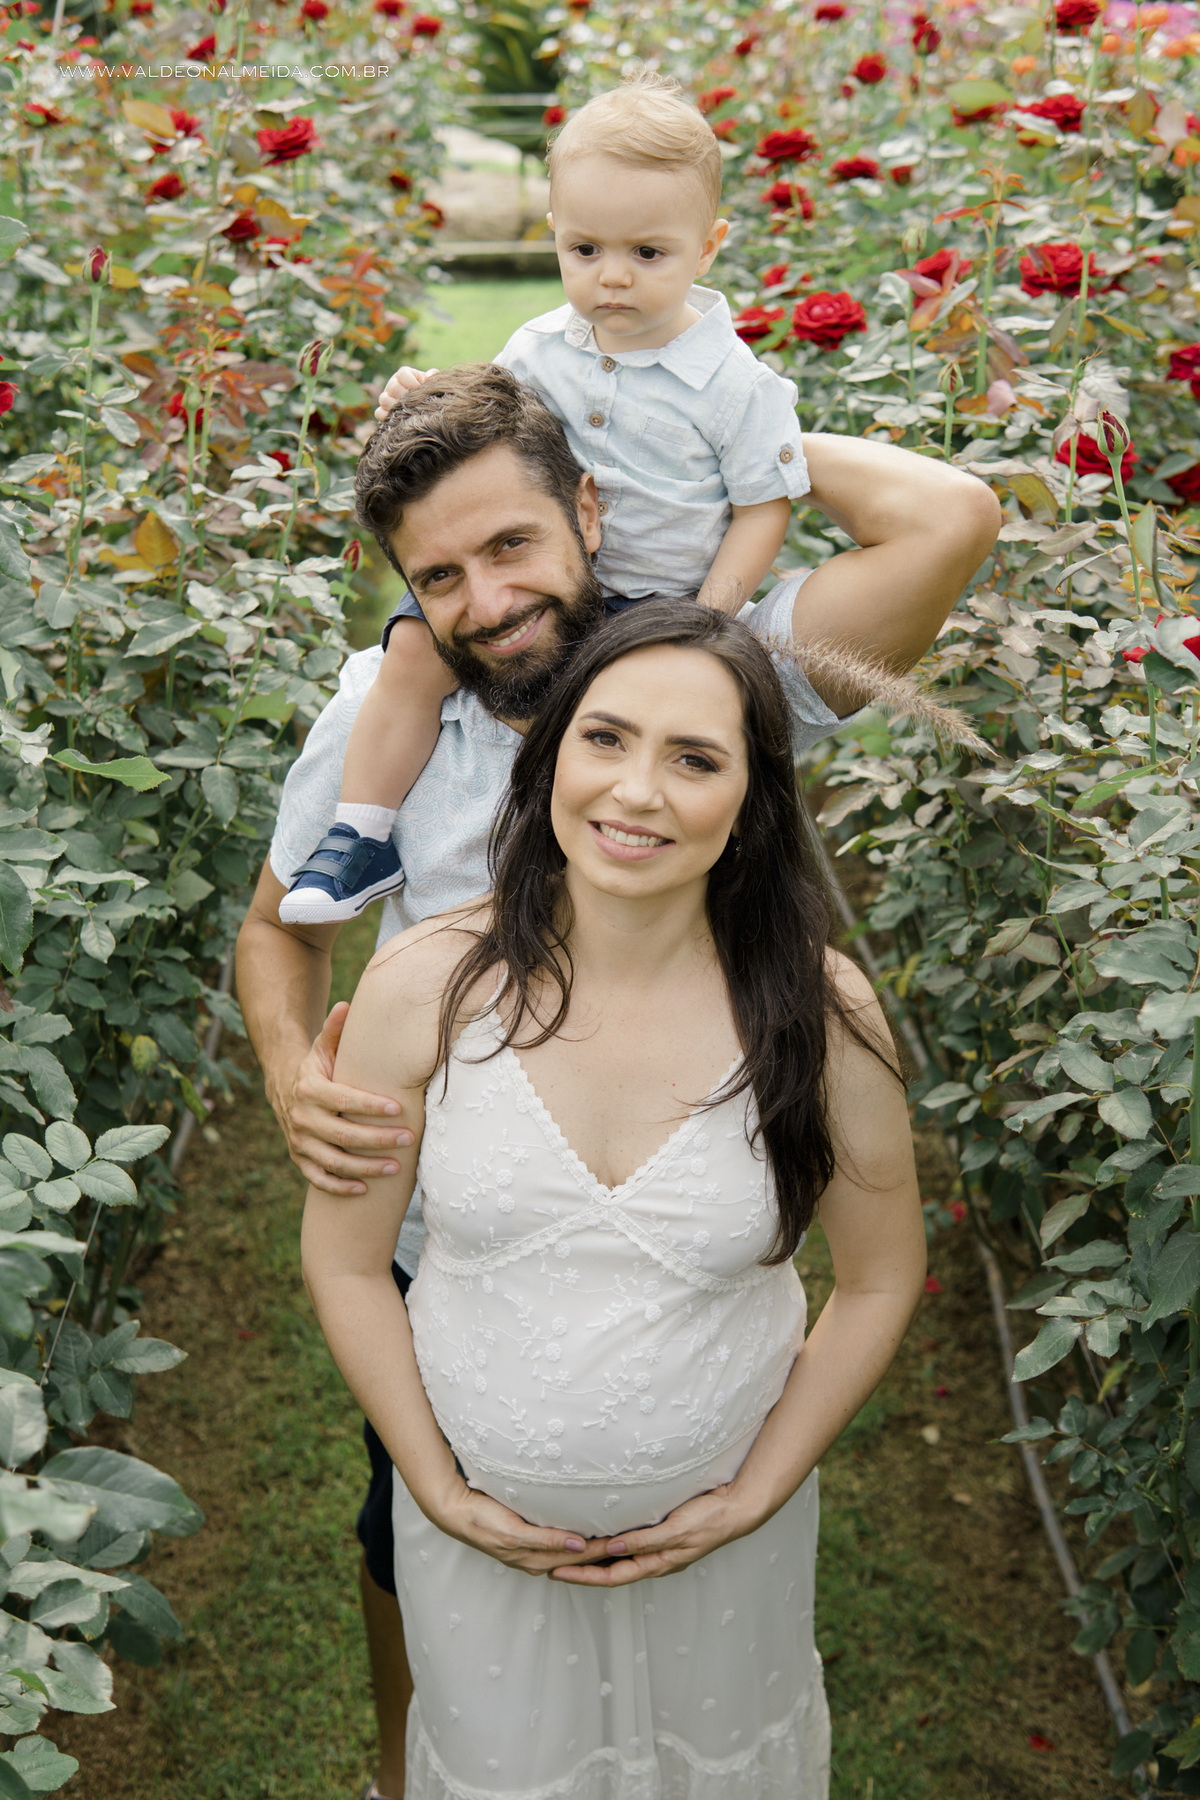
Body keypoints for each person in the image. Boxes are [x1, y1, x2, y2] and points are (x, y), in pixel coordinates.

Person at [235, 361, 1000, 1800]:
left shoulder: (720, 669)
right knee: (405, 1535)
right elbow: (283, 930)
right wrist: (294, 1078)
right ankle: (422, 1768)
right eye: (438, 575)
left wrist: (676, 410)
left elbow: (950, 516)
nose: (484, 602)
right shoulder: (389, 723)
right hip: (443, 1226)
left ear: (593, 502)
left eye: (513, 542)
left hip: (688, 1212)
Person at [301, 600, 929, 1798]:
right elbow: (344, 1258)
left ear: (752, 800)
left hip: (722, 1566)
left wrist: (757, 1491)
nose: (636, 791)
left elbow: (881, 1274)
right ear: (550, 760)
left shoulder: (820, 1010)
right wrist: (433, 1484)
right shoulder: (426, 985)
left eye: (695, 759)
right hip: (477, 1552)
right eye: (606, 738)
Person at [279, 73, 809, 926]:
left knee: (634, 724)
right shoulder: (538, 347)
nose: (612, 279)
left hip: (659, 602)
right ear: (556, 234)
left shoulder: (736, 386)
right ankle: (363, 835)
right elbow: (483, 417)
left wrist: (712, 615)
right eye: (585, 251)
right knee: (415, 654)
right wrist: (419, 390)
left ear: (707, 247)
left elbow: (763, 507)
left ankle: (653, 900)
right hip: (559, 576)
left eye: (648, 254)